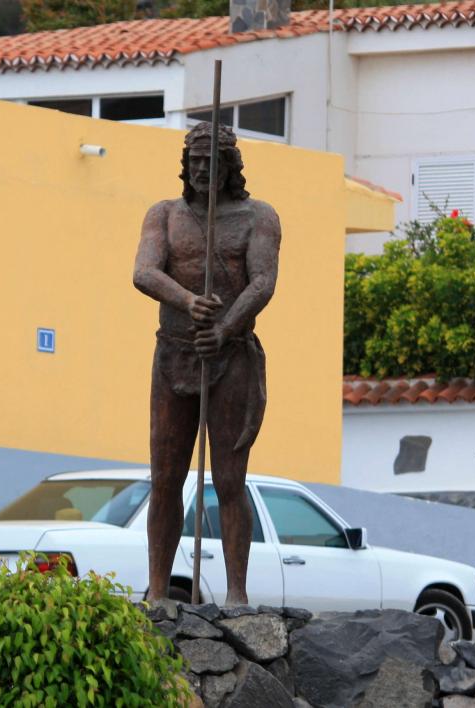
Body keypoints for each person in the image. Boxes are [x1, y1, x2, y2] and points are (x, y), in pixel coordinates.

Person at [132, 122, 281, 605]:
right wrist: (186, 300)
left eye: (211, 162)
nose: (201, 170)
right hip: (173, 353)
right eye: (194, 161)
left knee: (231, 479)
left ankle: (236, 594)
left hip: (230, 356)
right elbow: (144, 271)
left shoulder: (259, 217)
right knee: (166, 478)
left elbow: (262, 282)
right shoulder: (164, 214)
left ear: (230, 167)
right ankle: (158, 591)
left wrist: (224, 329)